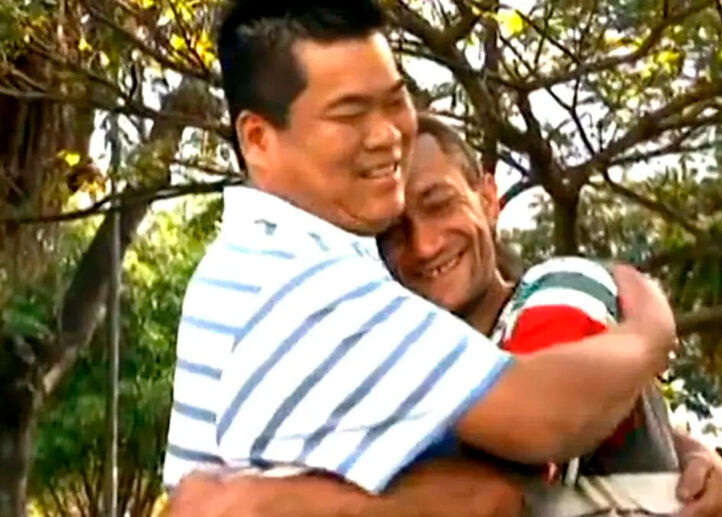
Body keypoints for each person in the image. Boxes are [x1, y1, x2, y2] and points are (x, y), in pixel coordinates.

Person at [164, 0, 677, 505]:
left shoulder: (259, 260)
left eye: (394, 101)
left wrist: (680, 456)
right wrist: (651, 330)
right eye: (349, 115)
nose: (386, 136)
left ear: (489, 197)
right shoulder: (306, 286)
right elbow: (541, 423)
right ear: (258, 140)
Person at [164, 116, 722, 517]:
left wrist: (265, 503)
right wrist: (693, 450)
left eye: (440, 204)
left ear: (488, 198)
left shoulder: (559, 290)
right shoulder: (414, 361)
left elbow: (503, 484)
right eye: (393, 232)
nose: (424, 245)